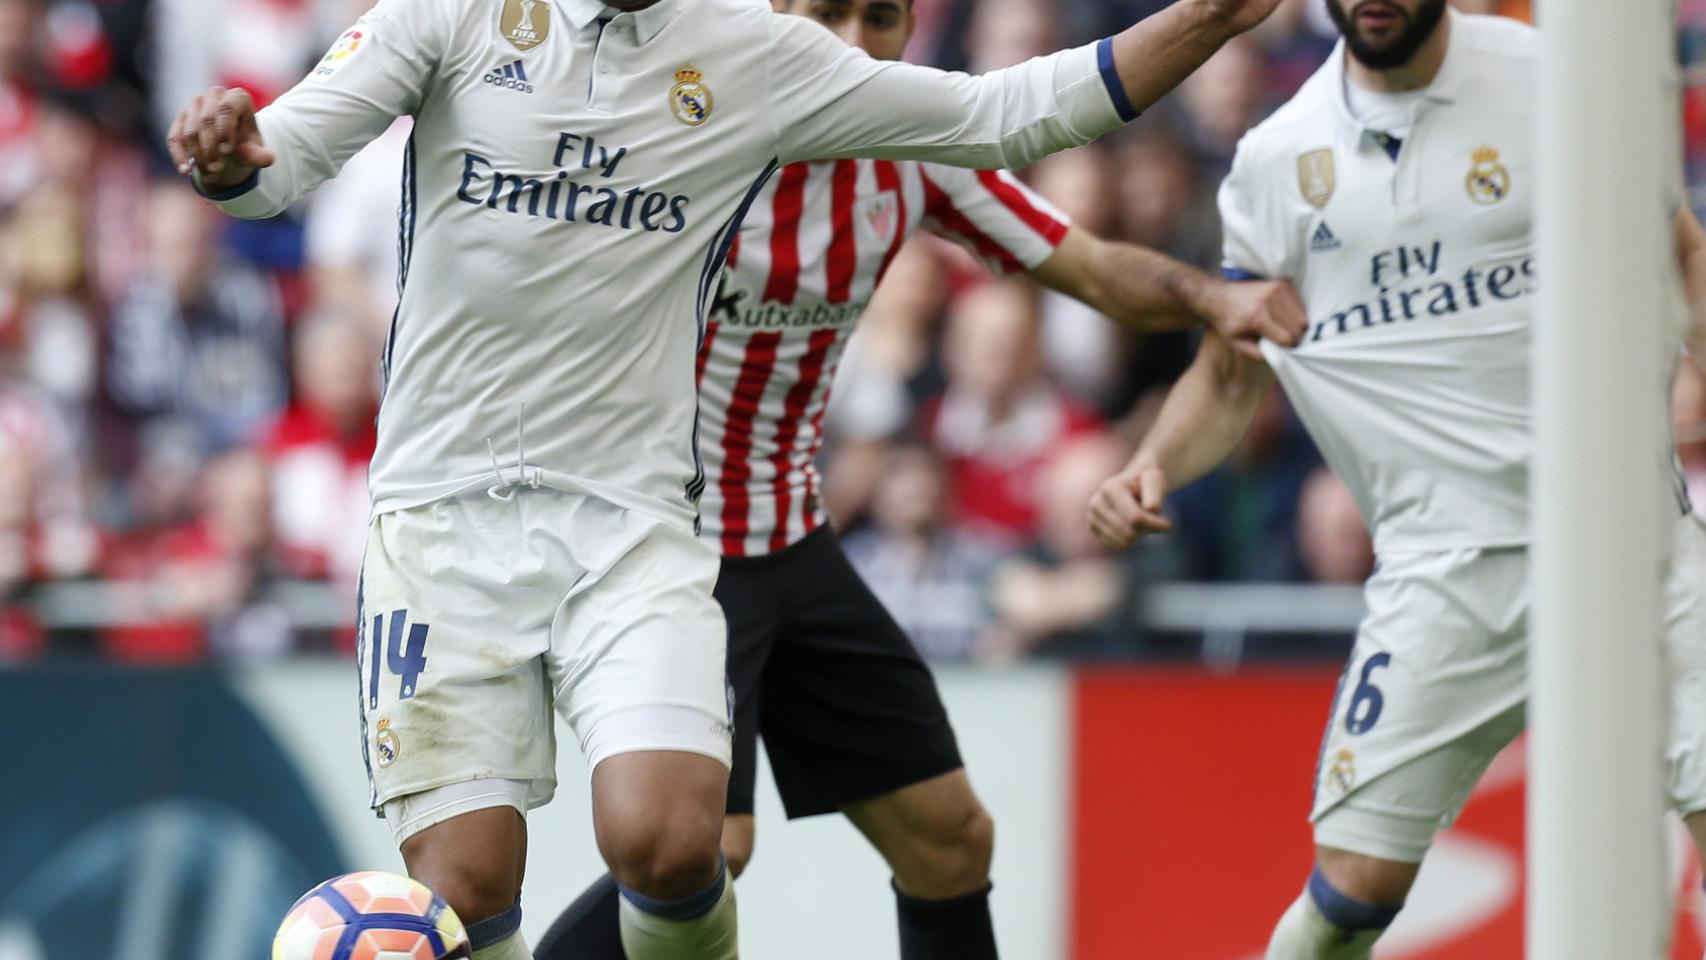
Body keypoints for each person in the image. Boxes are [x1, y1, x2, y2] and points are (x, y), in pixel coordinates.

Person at [165, 0, 1286, 957]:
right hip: (443, 522)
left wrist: (1205, 19)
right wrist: (233, 158)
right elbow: (280, 160)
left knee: (680, 837)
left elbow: (1008, 114)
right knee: (467, 892)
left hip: (646, 520)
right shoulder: (451, 15)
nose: (858, 28)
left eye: (882, 11)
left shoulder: (755, 59)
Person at [533, 0, 1308, 951]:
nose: (857, 47)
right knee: (701, 852)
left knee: (949, 839)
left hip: (792, 539)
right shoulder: (687, 132)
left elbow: (1096, 268)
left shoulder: (911, 151)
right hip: (672, 550)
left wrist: (1208, 297)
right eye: (828, 16)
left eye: (884, 18)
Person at [1087, 2, 1706, 957]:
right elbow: (1228, 370)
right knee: (1350, 896)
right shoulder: (1276, 160)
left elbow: (1682, 258)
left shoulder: (1558, 82)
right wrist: (1150, 467)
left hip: (1630, 543)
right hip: (1441, 572)